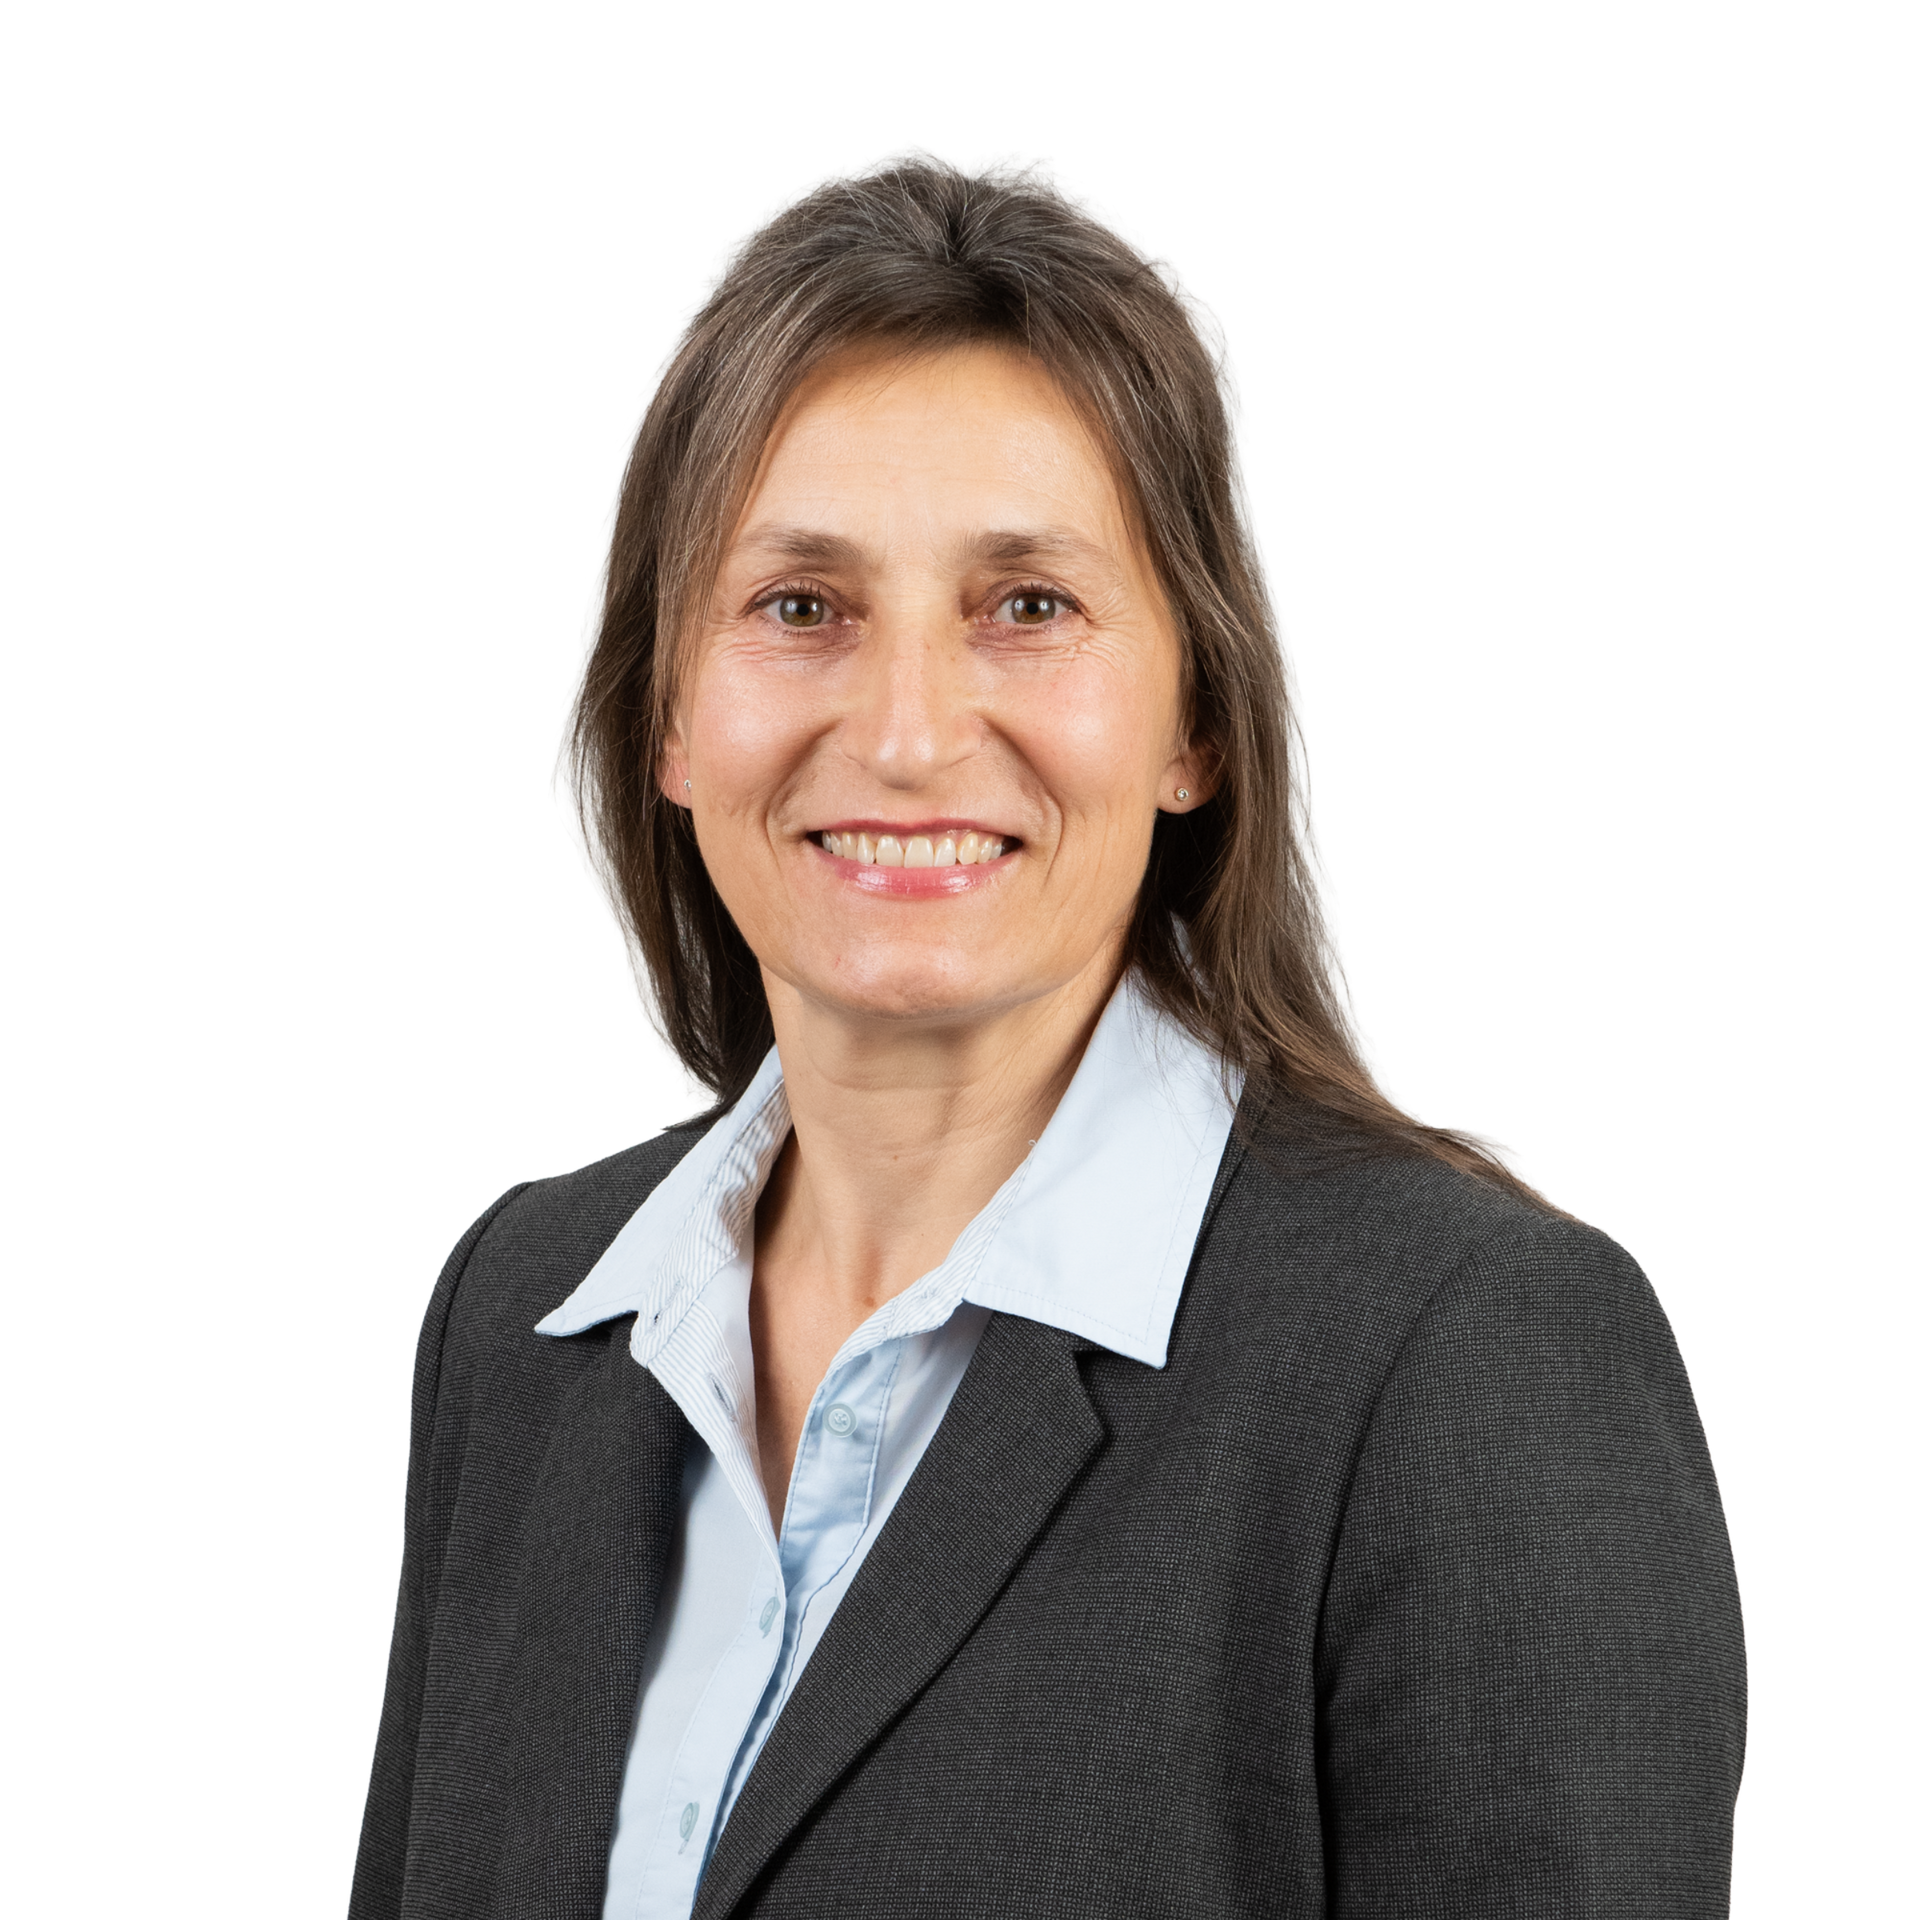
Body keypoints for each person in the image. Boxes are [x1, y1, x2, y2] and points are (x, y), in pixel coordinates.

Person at [345, 146, 1747, 1919]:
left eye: (1029, 608)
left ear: (1195, 724)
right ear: (670, 718)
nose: (909, 735)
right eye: (800, 607)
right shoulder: (526, 1309)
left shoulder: (1468, 1360)